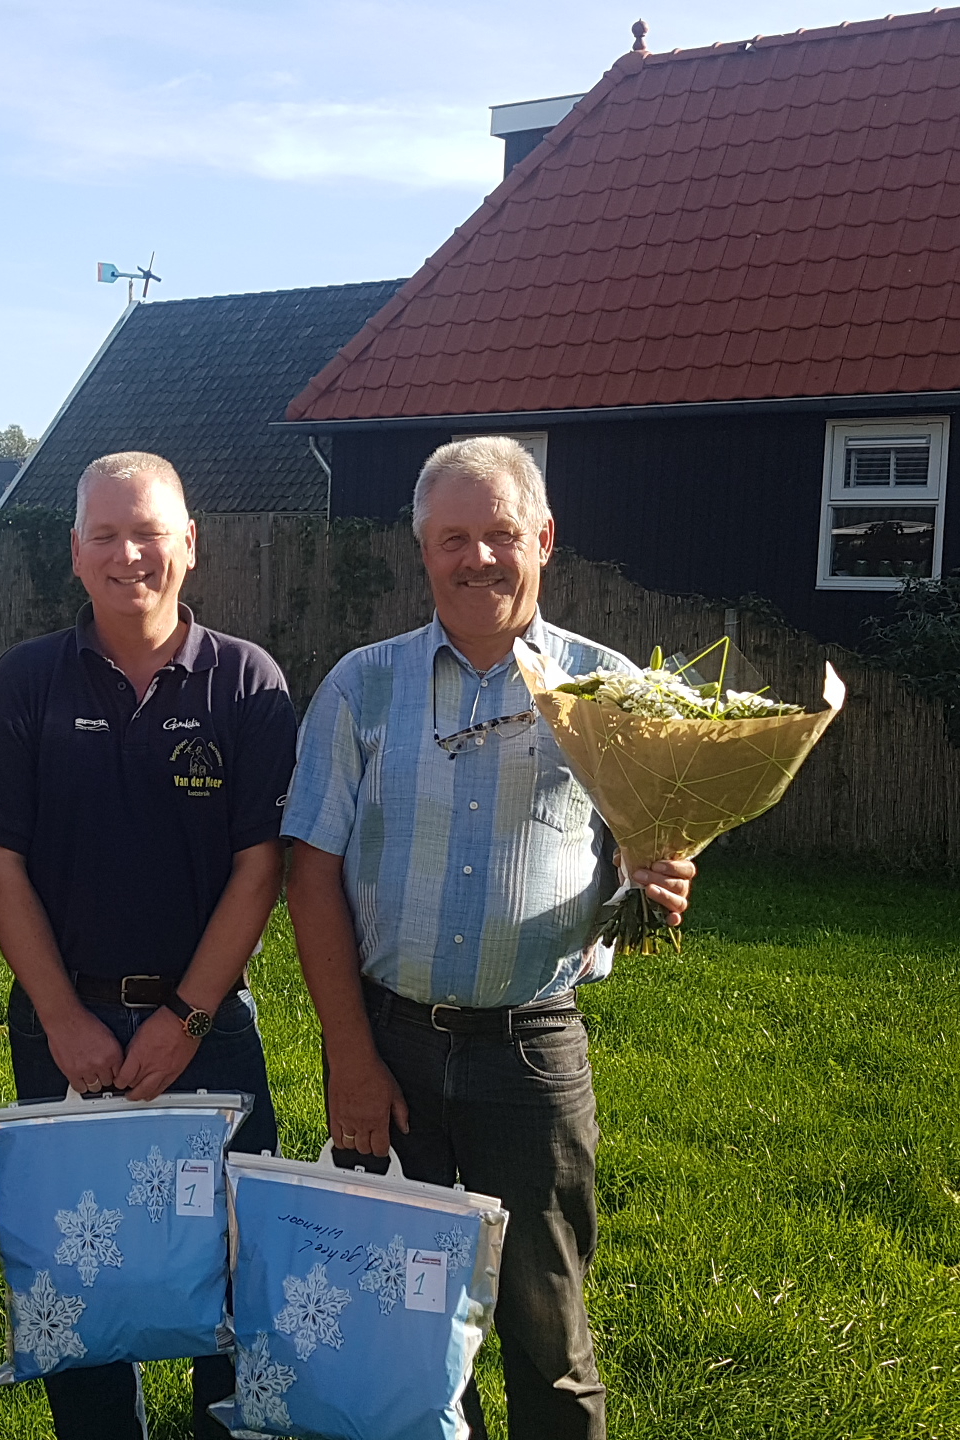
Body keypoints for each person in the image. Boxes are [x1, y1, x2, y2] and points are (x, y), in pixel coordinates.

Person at [281, 437, 697, 1440]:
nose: (478, 559)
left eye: (500, 534)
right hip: (389, 1048)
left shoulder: (609, 693)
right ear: (422, 549)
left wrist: (660, 876)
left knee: (549, 1337)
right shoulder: (362, 686)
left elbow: (646, 850)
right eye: (452, 538)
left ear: (543, 539)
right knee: (407, 1328)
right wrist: (349, 1058)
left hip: (532, 1051)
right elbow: (310, 874)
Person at [0, 452, 296, 1440]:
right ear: (74, 552)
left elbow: (260, 867)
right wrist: (61, 1015)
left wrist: (185, 1019)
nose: (127, 554)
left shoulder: (247, 681)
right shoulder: (26, 679)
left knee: (233, 1275)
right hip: (58, 1025)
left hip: (209, 1026)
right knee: (77, 1286)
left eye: (147, 532)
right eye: (104, 534)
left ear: (189, 544)